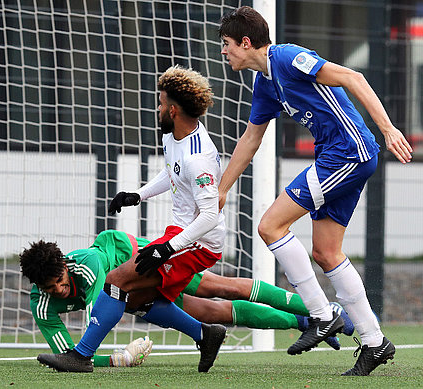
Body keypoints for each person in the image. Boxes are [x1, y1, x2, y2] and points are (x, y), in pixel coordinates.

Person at [217, 6, 412, 376]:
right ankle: (374, 342)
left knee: (270, 226)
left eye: (226, 44)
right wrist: (223, 189)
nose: (223, 52)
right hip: (336, 156)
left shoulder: (289, 58)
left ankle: (322, 316)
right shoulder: (264, 84)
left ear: (246, 42)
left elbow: (353, 77)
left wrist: (388, 129)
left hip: (349, 152)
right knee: (326, 252)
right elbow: (251, 139)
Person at [37, 65, 229, 373]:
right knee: (136, 299)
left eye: (160, 103)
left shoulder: (199, 158)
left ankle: (81, 355)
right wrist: (138, 195)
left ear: (174, 109)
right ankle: (205, 334)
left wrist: (167, 248)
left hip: (199, 242)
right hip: (180, 235)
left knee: (116, 281)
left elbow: (208, 216)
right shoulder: (175, 138)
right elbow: (172, 174)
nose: (157, 108)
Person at [20, 230, 354, 367]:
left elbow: (102, 310)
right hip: (139, 288)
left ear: (65, 267)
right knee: (216, 311)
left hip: (147, 259)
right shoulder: (43, 303)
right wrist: (118, 359)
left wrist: (91, 356)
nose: (59, 292)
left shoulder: (88, 267)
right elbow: (64, 355)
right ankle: (308, 320)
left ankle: (325, 310)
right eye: (50, 289)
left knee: (219, 287)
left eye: (61, 283)